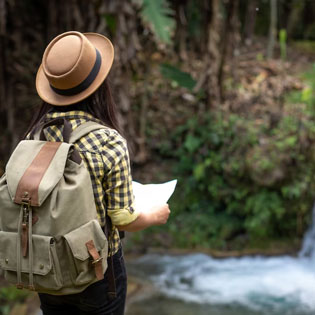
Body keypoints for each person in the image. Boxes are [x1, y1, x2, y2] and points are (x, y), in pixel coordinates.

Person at [24, 31, 171, 315]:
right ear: (100, 87)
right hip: (98, 272)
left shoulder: (35, 135)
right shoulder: (107, 140)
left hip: (46, 267)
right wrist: (155, 215)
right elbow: (123, 218)